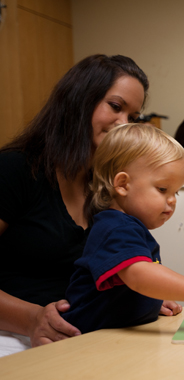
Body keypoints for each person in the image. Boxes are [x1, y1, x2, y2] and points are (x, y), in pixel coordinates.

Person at [0, 54, 172, 357]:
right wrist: (32, 320)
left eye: (132, 117)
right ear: (79, 101)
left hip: (79, 337)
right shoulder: (14, 169)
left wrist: (142, 296)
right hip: (14, 336)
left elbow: (108, 271)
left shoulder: (109, 189)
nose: (123, 124)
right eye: (116, 107)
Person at [61, 124, 184, 333]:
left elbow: (126, 287)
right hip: (84, 341)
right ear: (122, 184)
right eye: (163, 189)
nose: (173, 200)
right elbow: (139, 276)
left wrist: (151, 300)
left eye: (176, 192)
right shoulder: (116, 228)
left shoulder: (125, 226)